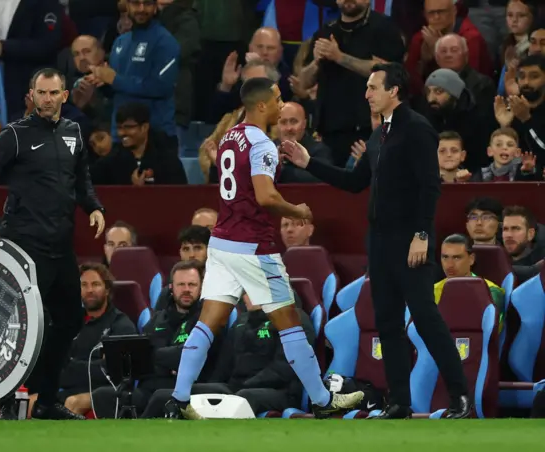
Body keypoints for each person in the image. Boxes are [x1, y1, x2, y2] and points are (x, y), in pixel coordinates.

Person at [164, 77, 365, 420]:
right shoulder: (261, 144)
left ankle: (179, 399)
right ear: (261, 105)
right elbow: (266, 196)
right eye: (276, 99)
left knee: (208, 322)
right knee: (289, 322)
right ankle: (321, 399)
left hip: (223, 242)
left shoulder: (229, 136)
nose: (280, 103)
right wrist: (298, 210)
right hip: (253, 245)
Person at [281, 63, 472, 419]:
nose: (367, 94)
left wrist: (422, 235)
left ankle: (461, 397)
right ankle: (399, 401)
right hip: (380, 241)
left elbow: (430, 187)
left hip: (409, 238)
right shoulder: (378, 135)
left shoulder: (416, 129)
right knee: (387, 321)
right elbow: (355, 183)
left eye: (373, 88)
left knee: (426, 317)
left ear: (394, 91)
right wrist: (309, 163)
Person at [0, 68, 106, 421]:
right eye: (41, 93)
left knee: (70, 319)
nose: (47, 99)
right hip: (25, 245)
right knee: (14, 326)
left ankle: (46, 400)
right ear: (31, 96)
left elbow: (82, 179)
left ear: (65, 95)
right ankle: (0, 400)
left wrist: (93, 206)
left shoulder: (73, 132)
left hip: (61, 246)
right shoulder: (14, 136)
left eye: (54, 93)